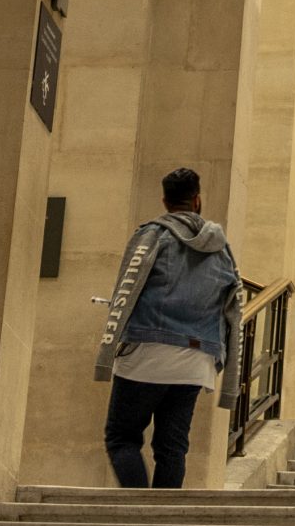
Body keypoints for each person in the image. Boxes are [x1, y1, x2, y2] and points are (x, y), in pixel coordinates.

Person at [94, 167, 243, 488]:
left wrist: (108, 347)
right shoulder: (222, 248)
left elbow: (127, 286)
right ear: (198, 200)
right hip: (197, 359)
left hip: (147, 350)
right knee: (172, 448)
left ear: (165, 201)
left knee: (122, 436)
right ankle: (160, 516)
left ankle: (138, 513)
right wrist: (227, 367)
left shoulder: (152, 234)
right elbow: (234, 304)